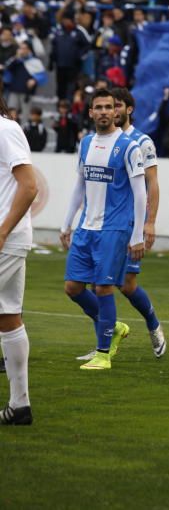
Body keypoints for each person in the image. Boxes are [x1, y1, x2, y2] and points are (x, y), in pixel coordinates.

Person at [60, 89, 147, 371]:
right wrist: (66, 223)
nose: (104, 112)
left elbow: (140, 193)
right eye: (98, 107)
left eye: (109, 107)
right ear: (90, 112)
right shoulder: (85, 143)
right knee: (73, 287)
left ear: (116, 111)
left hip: (114, 228)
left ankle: (103, 353)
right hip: (86, 226)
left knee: (103, 287)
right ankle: (115, 327)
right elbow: (79, 186)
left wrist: (137, 235)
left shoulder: (129, 146)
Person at [77, 88, 166, 362]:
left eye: (116, 105)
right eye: (107, 106)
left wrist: (148, 224)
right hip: (100, 225)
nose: (111, 111)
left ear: (128, 109)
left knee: (126, 285)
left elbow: (151, 184)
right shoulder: (95, 140)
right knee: (94, 286)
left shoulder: (141, 142)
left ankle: (153, 323)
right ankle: (105, 342)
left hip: (126, 225)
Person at [0, 95, 38, 424]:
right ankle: (19, 405)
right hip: (9, 238)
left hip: (4, 238)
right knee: (8, 316)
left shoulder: (5, 129)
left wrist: (2, 231)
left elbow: (29, 186)